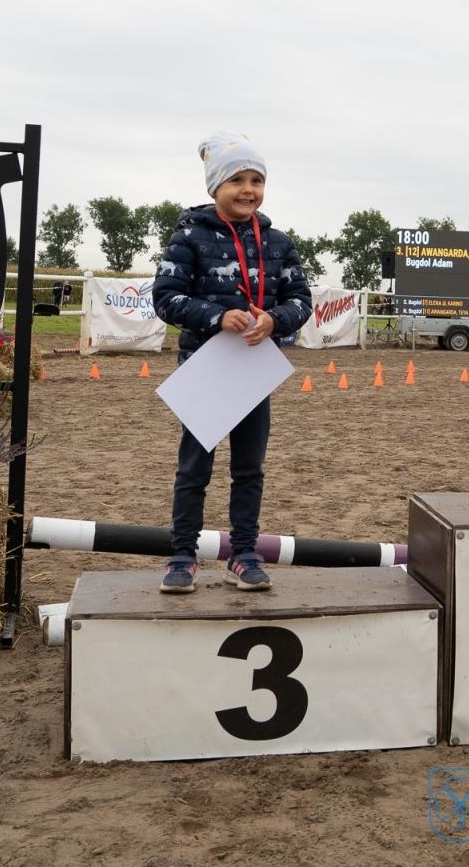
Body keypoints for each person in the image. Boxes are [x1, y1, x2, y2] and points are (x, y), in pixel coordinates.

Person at [151, 131, 312, 593]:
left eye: (256, 179)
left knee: (250, 468)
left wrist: (275, 320)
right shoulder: (188, 235)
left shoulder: (279, 242)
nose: (248, 189)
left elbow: (302, 300)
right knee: (193, 469)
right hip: (203, 370)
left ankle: (243, 553)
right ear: (214, 187)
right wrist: (217, 316)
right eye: (237, 179)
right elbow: (165, 298)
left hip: (253, 371)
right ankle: (182, 555)